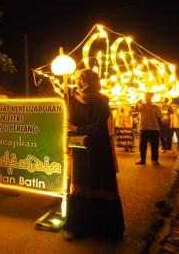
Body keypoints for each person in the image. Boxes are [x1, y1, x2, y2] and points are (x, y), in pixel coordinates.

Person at [63, 69, 125, 241]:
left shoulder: (102, 100)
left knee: (102, 183)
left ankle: (108, 228)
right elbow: (66, 123)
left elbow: (97, 127)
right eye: (78, 79)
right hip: (80, 149)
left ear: (93, 81)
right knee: (79, 184)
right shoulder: (70, 101)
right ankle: (77, 227)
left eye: (84, 79)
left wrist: (76, 129)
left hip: (99, 149)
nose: (80, 82)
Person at [134, 92, 162, 165]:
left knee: (154, 145)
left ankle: (154, 160)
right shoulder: (141, 106)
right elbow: (135, 110)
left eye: (149, 96)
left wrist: (160, 127)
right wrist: (137, 102)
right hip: (144, 128)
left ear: (151, 97)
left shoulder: (156, 106)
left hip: (154, 128)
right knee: (143, 144)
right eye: (146, 96)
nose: (147, 98)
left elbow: (159, 117)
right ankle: (142, 159)